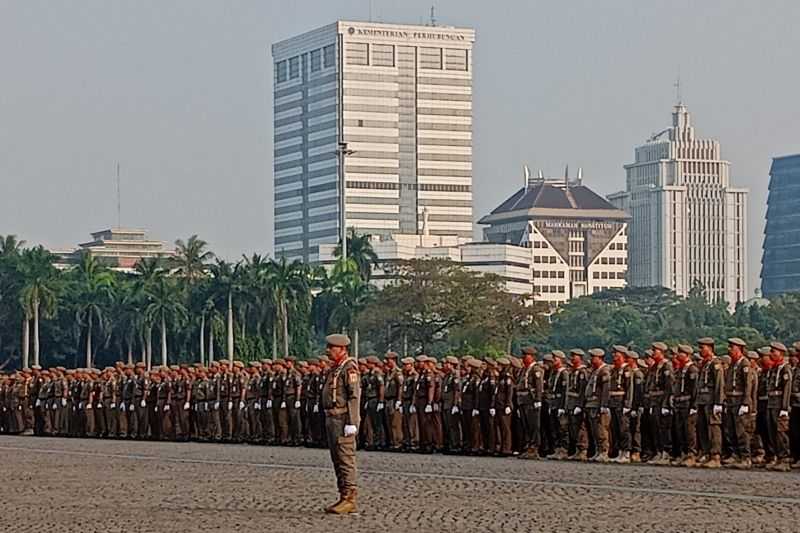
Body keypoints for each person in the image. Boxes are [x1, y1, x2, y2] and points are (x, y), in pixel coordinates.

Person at [320, 334, 360, 515]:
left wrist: (352, 421)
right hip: (332, 418)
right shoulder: (335, 368)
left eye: (332, 348)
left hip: (343, 418)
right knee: (337, 459)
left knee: (345, 459)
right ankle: (343, 495)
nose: (328, 351)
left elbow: (354, 396)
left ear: (342, 349)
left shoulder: (349, 368)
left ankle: (350, 498)